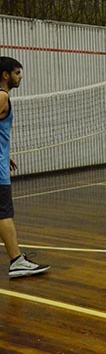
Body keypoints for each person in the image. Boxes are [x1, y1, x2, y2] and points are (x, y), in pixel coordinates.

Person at [0, 57, 50, 278]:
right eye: (17, 73)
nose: (20, 77)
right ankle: (17, 261)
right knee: (4, 214)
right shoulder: (2, 96)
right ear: (5, 75)